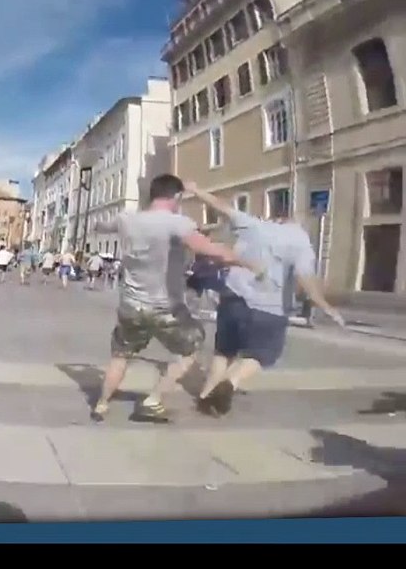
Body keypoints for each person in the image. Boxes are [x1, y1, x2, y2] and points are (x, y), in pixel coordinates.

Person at [89, 174, 255, 423]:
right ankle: (152, 400)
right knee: (191, 347)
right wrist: (246, 262)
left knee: (120, 356)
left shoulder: (126, 219)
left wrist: (96, 226)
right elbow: (208, 249)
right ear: (176, 197)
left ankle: (101, 405)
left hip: (131, 305)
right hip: (166, 308)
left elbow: (101, 226)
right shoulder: (178, 223)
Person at [185, 182, 344, 417]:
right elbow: (306, 278)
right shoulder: (300, 242)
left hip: (233, 299)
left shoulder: (254, 226)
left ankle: (205, 398)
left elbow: (222, 207)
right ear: (298, 224)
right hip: (270, 307)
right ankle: (230, 382)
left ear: (278, 219)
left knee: (223, 351)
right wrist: (325, 305)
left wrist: (197, 190)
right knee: (261, 354)